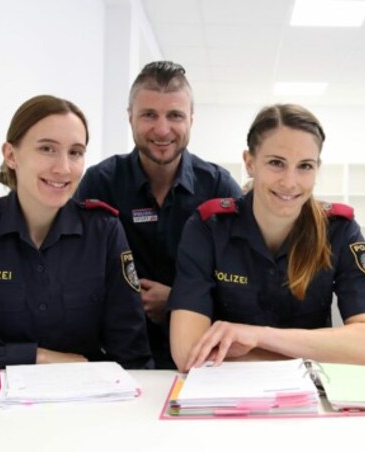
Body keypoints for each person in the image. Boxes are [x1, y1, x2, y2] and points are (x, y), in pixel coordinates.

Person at [0, 95, 153, 372]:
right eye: (47, 149)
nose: (63, 168)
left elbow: (132, 354)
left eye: (75, 152)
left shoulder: (103, 230)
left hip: (85, 398)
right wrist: (36, 356)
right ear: (11, 155)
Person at [168, 104, 365, 372]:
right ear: (250, 163)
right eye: (276, 163)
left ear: (317, 169)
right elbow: (187, 352)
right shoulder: (208, 228)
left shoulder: (340, 230)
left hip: (312, 393)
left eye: (305, 166)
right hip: (229, 391)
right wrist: (317, 354)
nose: (289, 182)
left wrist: (257, 336)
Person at [76, 61, 242, 369]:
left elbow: (244, 285)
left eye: (175, 115)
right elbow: (75, 270)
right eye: (149, 115)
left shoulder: (219, 187)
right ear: (130, 118)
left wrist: (179, 301)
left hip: (203, 359)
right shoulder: (100, 183)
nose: (162, 129)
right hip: (114, 358)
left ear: (191, 119)